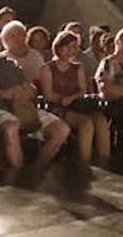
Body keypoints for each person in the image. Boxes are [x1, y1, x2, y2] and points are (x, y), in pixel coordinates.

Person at [0, 26, 69, 176]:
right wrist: (2, 94)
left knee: (61, 129)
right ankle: (20, 173)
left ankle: (35, 170)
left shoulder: (11, 64)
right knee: (11, 126)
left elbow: (29, 88)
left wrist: (29, 91)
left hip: (21, 107)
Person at [37, 30, 110, 165]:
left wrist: (72, 97)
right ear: (59, 46)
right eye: (69, 46)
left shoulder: (77, 68)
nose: (72, 50)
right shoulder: (47, 68)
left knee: (101, 121)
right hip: (57, 106)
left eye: (74, 47)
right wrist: (64, 99)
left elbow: (82, 90)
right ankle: (84, 163)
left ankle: (104, 161)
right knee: (86, 124)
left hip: (76, 103)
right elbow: (48, 95)